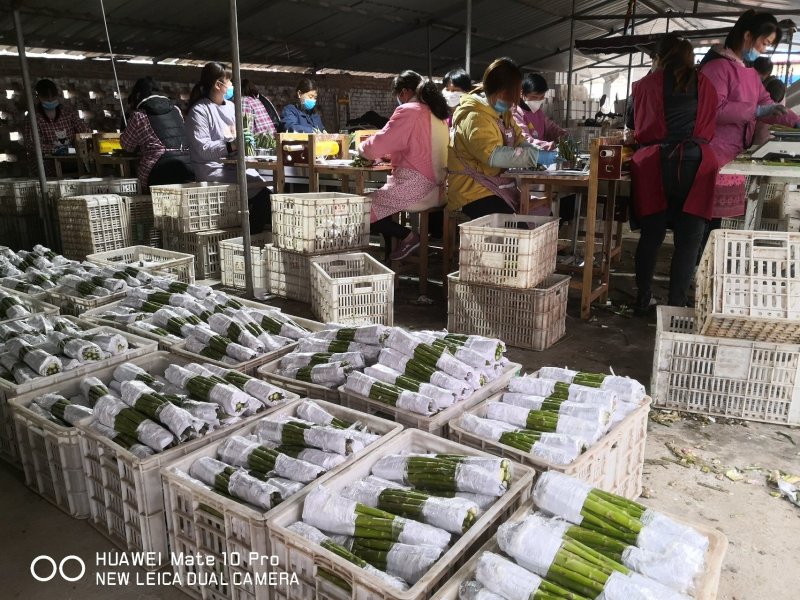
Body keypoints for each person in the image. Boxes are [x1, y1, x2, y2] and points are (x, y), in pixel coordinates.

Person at [629, 34, 719, 314]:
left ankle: (643, 300)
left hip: (655, 164)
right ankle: (677, 306)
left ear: (658, 57)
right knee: (688, 241)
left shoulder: (644, 86)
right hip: (696, 165)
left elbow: (633, 123)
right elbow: (711, 125)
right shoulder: (706, 84)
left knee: (651, 236)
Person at [700, 10, 799, 221]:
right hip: (712, 155)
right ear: (747, 36)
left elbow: (769, 105)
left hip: (733, 156)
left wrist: (795, 121)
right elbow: (714, 109)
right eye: (764, 42)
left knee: (719, 224)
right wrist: (755, 111)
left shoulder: (749, 73)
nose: (764, 49)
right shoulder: (716, 67)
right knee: (703, 224)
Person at [359, 70, 449, 260]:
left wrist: (362, 149)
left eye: (399, 95)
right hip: (440, 188)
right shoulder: (436, 113)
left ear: (405, 92)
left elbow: (379, 144)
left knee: (359, 209)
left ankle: (408, 237)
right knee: (377, 204)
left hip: (416, 187)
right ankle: (392, 253)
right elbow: (418, 148)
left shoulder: (409, 111)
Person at [447, 57, 540, 219]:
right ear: (494, 89)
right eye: (508, 96)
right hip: (472, 191)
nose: (511, 102)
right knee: (517, 229)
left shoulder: (504, 114)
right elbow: (493, 156)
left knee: (542, 213)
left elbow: (520, 139)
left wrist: (534, 152)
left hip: (499, 188)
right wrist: (532, 157)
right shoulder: (473, 116)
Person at [184, 62, 270, 233]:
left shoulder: (232, 107)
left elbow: (238, 136)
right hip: (213, 170)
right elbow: (204, 148)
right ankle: (250, 237)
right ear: (218, 85)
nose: (232, 86)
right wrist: (232, 145)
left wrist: (247, 143)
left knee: (266, 188)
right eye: (229, 82)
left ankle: (255, 234)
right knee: (261, 194)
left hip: (234, 167)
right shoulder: (199, 111)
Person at [120, 77, 194, 191]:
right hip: (186, 167)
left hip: (157, 171)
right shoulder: (175, 110)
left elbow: (127, 146)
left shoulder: (139, 115)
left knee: (137, 182)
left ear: (138, 95)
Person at [22, 78, 90, 177]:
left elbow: (84, 131)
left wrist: (78, 146)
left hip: (72, 159)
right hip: (46, 164)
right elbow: (31, 144)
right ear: (38, 97)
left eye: (53, 97)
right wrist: (55, 150)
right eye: (46, 97)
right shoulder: (33, 118)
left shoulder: (68, 113)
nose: (50, 100)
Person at [512, 73, 566, 150]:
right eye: (534, 97)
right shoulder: (516, 112)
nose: (538, 100)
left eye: (542, 97)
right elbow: (524, 139)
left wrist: (564, 135)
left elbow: (551, 127)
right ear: (522, 94)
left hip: (539, 155)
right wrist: (547, 145)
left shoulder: (538, 112)